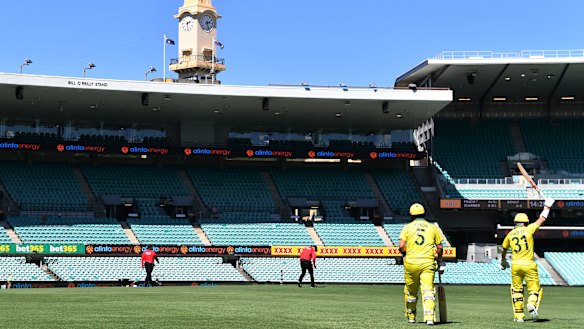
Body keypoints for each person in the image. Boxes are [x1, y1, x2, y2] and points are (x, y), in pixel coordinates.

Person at [500, 198, 554, 323]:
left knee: (516, 290)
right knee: (535, 289)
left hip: (515, 265)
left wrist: (502, 260)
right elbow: (542, 219)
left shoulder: (510, 234)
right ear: (526, 222)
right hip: (529, 264)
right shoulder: (529, 229)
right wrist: (547, 207)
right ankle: (531, 303)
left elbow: (503, 249)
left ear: (515, 222)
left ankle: (519, 317)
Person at [398, 203, 443, 326]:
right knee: (428, 290)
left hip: (411, 262)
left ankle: (411, 316)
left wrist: (406, 253)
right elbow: (439, 247)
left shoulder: (407, 227)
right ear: (424, 213)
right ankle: (429, 318)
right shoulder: (432, 227)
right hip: (428, 263)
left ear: (411, 215)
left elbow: (401, 246)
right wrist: (439, 259)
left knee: (411, 292)